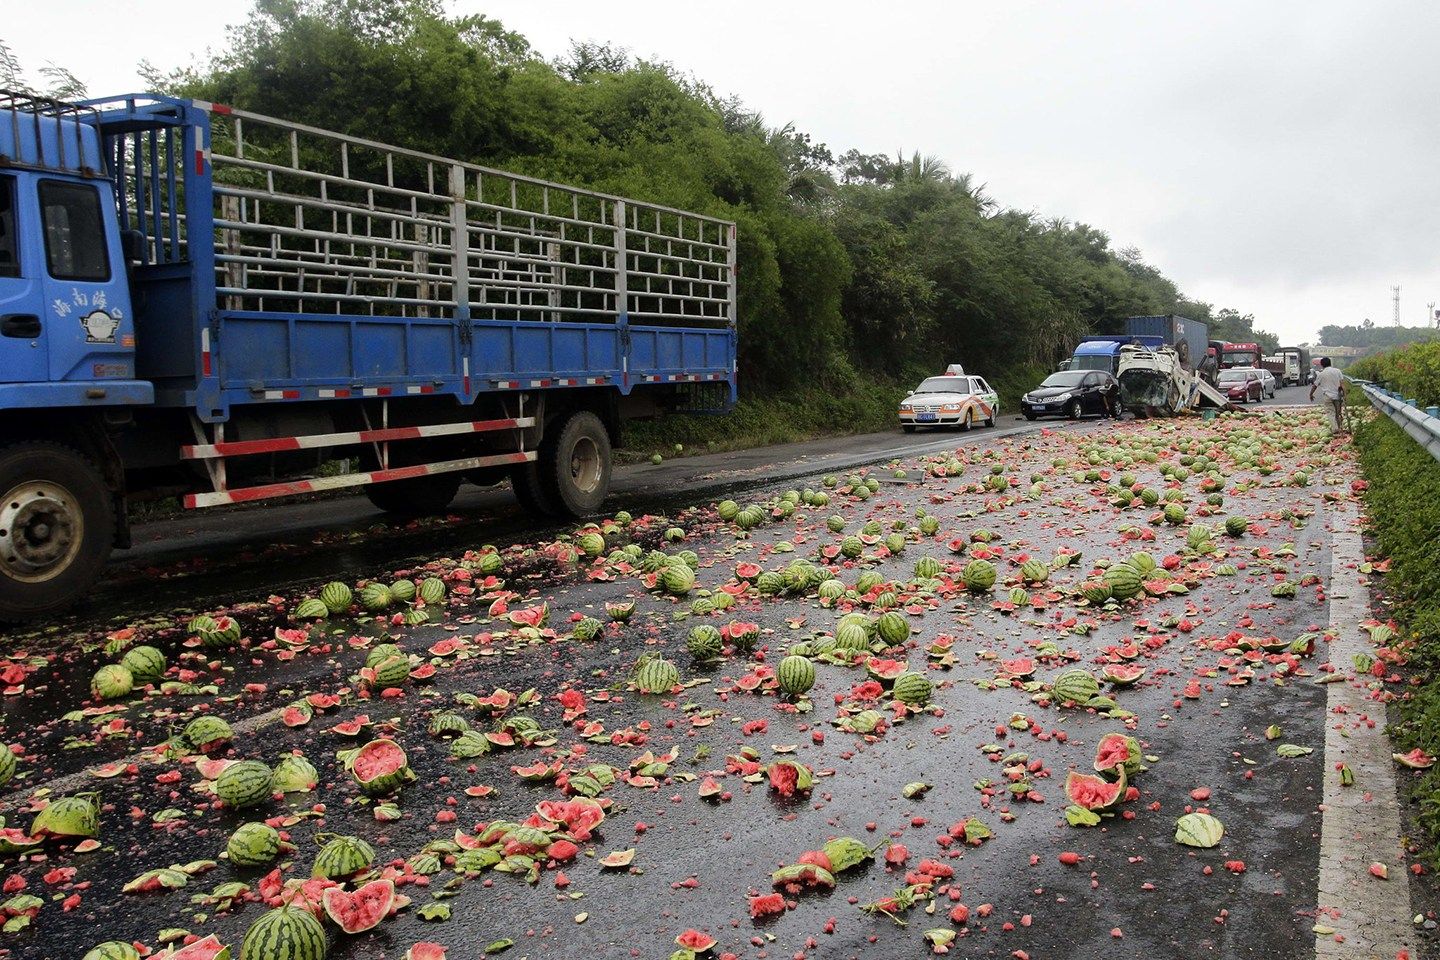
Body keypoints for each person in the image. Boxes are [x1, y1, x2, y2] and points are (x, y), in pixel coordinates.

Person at [1309, 357, 1346, 434]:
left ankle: (1335, 429)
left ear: (1322, 365)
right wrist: (1345, 395)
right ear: (1330, 363)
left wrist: (1311, 394)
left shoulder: (1321, 374)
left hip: (1327, 396)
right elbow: (1342, 384)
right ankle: (1340, 428)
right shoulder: (1337, 371)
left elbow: (1315, 385)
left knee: (1330, 413)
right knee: (1338, 413)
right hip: (1338, 395)